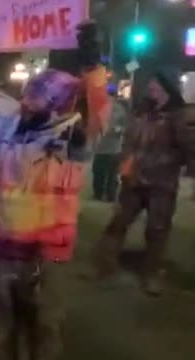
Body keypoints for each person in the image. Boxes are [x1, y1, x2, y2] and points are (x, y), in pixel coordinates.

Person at [0, 22, 110, 359]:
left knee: (44, 329)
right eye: (29, 96)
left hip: (46, 256)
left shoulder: (72, 139)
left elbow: (98, 115)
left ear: (59, 105)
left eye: (38, 99)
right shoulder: (9, 128)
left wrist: (93, 68)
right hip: (3, 249)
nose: (28, 104)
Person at [90, 68, 195, 296]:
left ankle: (152, 274)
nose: (151, 90)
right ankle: (104, 266)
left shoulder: (179, 116)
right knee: (118, 222)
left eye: (155, 86)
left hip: (162, 183)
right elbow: (129, 141)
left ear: (167, 90)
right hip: (134, 180)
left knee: (157, 230)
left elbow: (190, 148)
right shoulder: (141, 113)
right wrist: (126, 166)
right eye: (150, 87)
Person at [92, 88, 128, 202]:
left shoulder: (119, 109)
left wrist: (118, 130)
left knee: (109, 173)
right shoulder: (100, 107)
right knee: (101, 172)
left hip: (112, 147)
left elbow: (125, 126)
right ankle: (101, 194)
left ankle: (109, 195)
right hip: (102, 147)